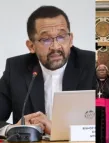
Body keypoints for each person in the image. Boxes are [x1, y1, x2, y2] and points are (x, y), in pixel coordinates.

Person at [0, 6, 95, 136]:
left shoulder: (90, 63)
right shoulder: (16, 68)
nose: (55, 46)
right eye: (46, 39)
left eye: (61, 37)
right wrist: (12, 129)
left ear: (71, 39)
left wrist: (58, 130)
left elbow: (103, 125)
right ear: (31, 46)